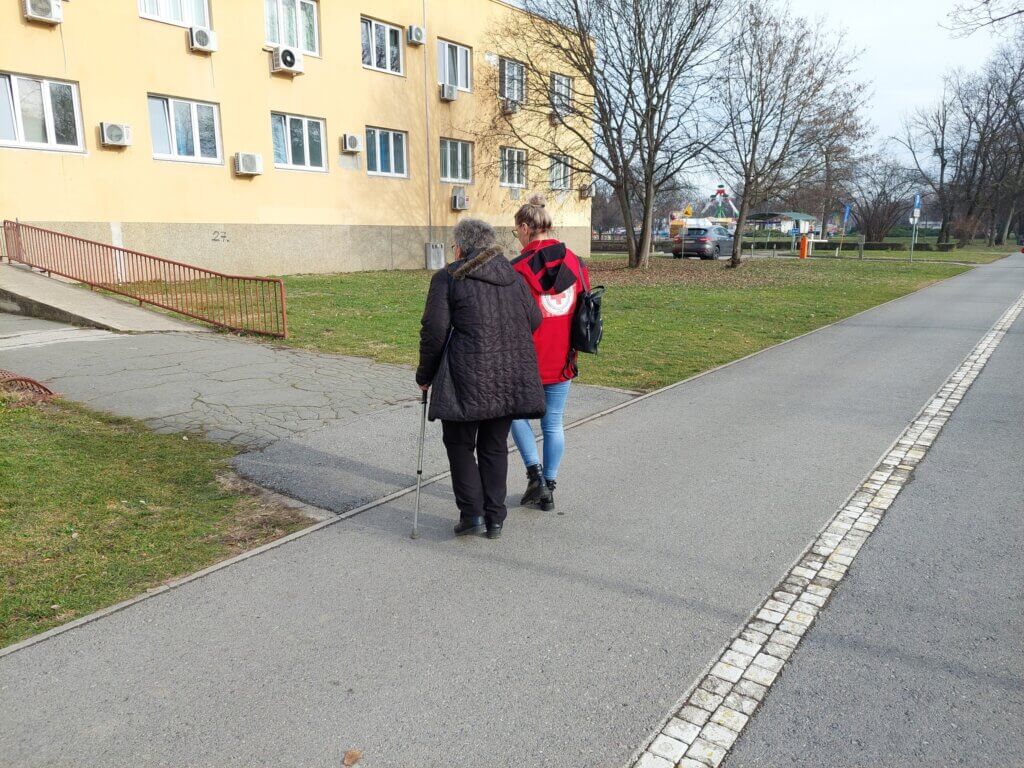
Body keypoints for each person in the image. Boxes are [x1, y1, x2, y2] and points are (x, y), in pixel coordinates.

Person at [416, 219, 545, 539]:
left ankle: (472, 514)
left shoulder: (449, 277)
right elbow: (534, 318)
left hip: (465, 376)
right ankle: (494, 518)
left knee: (459, 443)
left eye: (454, 246)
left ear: (461, 247)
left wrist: (425, 375)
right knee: (494, 446)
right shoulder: (512, 276)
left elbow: (434, 331)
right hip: (507, 375)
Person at [509, 194, 590, 512]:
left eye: (516, 231)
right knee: (553, 423)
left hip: (525, 359)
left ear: (525, 227)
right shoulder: (576, 263)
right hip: (563, 356)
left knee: (515, 415)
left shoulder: (517, 268)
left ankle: (536, 477)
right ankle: (550, 485)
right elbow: (584, 307)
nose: (517, 237)